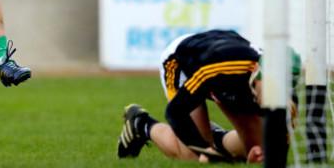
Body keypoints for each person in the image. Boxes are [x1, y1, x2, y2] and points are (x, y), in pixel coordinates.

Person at [116, 29, 301, 163]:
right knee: (192, 156)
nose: (268, 99)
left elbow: (278, 150)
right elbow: (175, 112)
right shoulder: (222, 69)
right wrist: (203, 149)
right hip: (184, 64)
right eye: (267, 89)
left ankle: (217, 138)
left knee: (257, 146)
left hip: (228, 72)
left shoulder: (288, 101)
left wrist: (261, 155)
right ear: (257, 71)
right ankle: (140, 123)